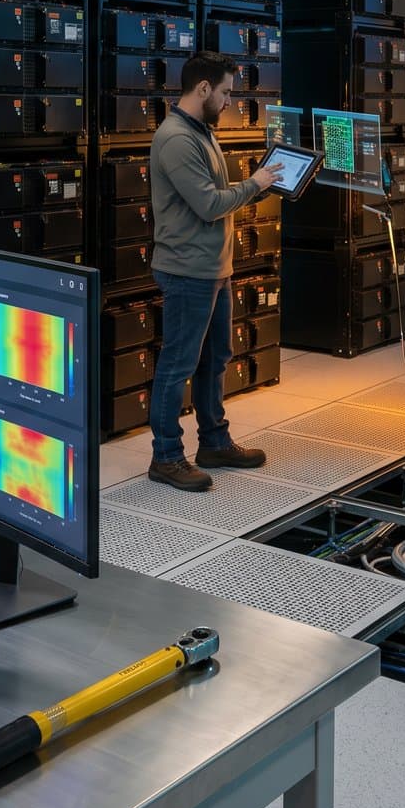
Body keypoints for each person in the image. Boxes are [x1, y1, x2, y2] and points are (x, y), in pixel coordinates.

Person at [145, 51, 283, 491]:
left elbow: (218, 195)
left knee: (214, 359)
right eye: (225, 92)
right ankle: (167, 457)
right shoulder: (176, 139)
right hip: (187, 269)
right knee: (178, 364)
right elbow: (208, 204)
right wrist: (255, 184)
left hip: (213, 268)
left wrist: (259, 186)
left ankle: (214, 442)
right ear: (203, 88)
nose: (229, 101)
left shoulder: (200, 131)